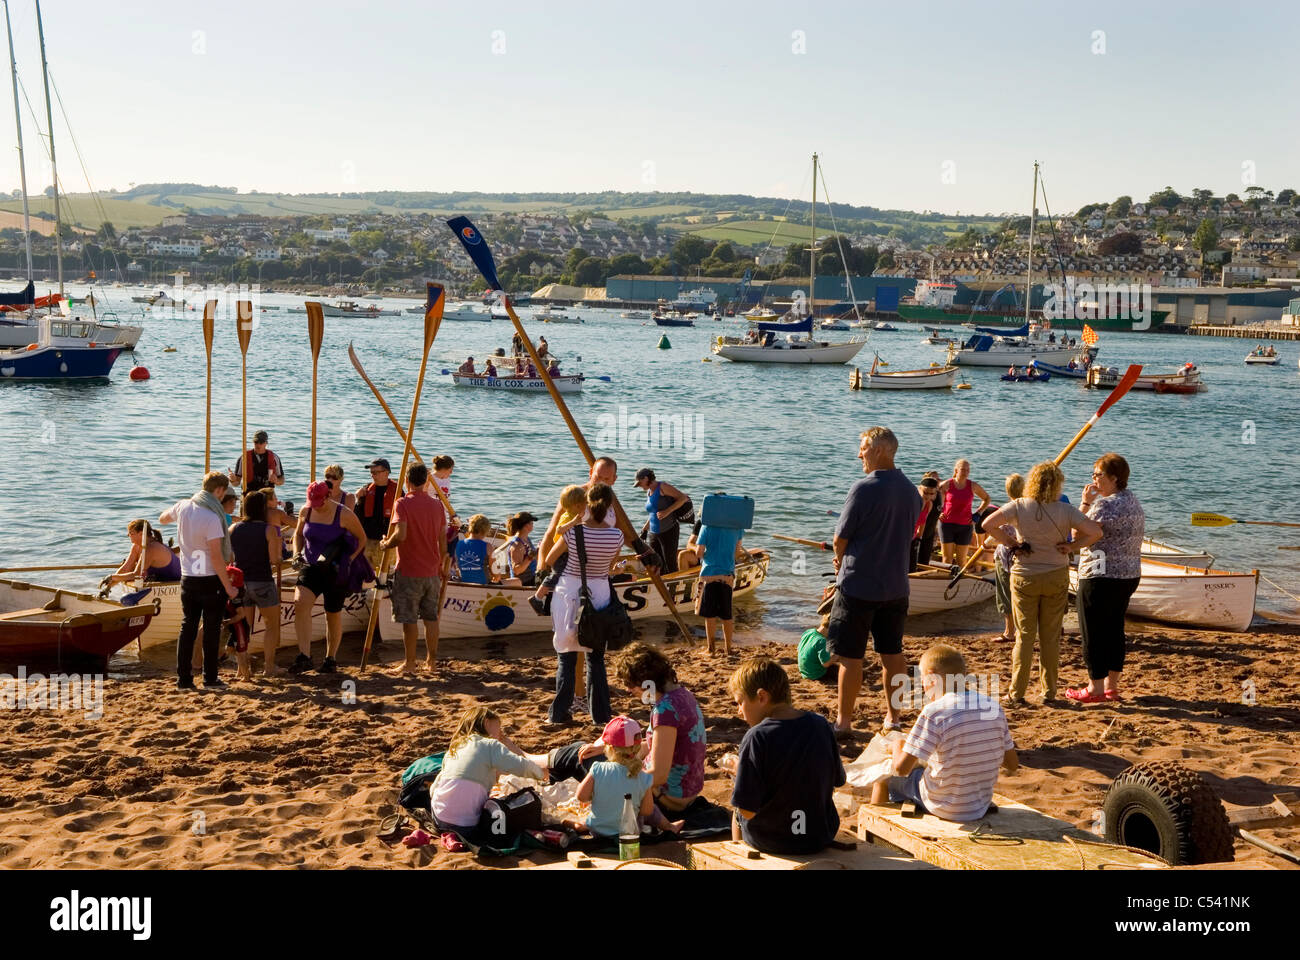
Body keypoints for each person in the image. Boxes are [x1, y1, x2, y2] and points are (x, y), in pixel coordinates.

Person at [980, 462, 1103, 705]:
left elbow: (987, 524)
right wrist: (1072, 547)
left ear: (1032, 482)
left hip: (1024, 576)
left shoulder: (1018, 506)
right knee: (1050, 637)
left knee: (1024, 636)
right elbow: (1095, 532)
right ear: (1057, 484)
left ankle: (1017, 692)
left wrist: (1012, 543)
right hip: (1056, 575)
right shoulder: (1066, 510)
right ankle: (1048, 692)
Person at [828, 427, 920, 736]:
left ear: (879, 450)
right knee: (892, 653)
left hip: (859, 585)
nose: (859, 455)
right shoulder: (911, 491)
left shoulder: (863, 488)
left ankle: (844, 721)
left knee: (850, 656)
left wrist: (839, 559)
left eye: (863, 448)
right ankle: (893, 718)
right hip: (895, 586)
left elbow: (840, 538)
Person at [870, 644, 1018, 822]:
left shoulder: (934, 712)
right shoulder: (993, 707)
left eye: (922, 679)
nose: (923, 686)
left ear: (932, 677)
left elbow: (901, 769)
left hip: (943, 805)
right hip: (979, 804)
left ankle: (874, 828)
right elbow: (1012, 764)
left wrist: (898, 745)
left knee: (882, 776)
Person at [730, 657, 845, 854]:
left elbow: (747, 811)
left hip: (774, 839)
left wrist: (738, 772)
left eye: (740, 703)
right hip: (819, 834)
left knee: (737, 810)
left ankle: (739, 856)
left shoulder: (757, 736)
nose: (739, 711)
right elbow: (839, 780)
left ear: (762, 697)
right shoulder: (820, 724)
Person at [541, 483, 622, 726]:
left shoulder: (573, 533)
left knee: (566, 657)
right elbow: (609, 567)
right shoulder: (616, 535)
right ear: (608, 506)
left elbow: (550, 559)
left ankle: (559, 714)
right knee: (595, 658)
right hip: (599, 594)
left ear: (587, 505)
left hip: (569, 594)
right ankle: (600, 715)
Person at [1069, 453, 1145, 704]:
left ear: (1114, 478)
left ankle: (1095, 688)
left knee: (1092, 631)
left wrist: (1084, 503)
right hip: (1128, 574)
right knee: (1114, 630)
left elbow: (1075, 532)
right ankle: (1111, 687)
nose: (1094, 479)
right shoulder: (1132, 500)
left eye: (1098, 474)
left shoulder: (1104, 505)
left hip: (1100, 574)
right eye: (1093, 474)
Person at [159, 471, 239, 690]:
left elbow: (162, 519)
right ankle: (210, 678)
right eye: (224, 493)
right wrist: (229, 587)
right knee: (212, 630)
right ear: (219, 490)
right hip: (210, 579)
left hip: (188, 577)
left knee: (188, 628)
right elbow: (216, 556)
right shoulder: (212, 517)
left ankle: (184, 679)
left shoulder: (183, 506)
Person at [429, 706, 547, 849]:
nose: (500, 735)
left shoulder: (455, 748)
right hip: (467, 825)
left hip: (439, 818)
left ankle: (450, 834)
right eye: (499, 728)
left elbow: (434, 788)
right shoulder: (490, 744)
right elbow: (520, 766)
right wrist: (542, 773)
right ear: (486, 723)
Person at [611, 644, 707, 815]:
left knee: (592, 766)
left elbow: (659, 774)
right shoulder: (683, 695)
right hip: (687, 790)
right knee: (605, 759)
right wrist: (615, 752)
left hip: (668, 797)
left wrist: (616, 781)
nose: (628, 690)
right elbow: (655, 746)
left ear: (646, 680)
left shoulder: (665, 710)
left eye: (630, 683)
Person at [289, 479, 368, 675]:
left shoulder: (344, 514)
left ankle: (330, 658)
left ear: (328, 496)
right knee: (300, 603)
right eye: (312, 502)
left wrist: (349, 560)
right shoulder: (306, 510)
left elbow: (362, 538)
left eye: (319, 502)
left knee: (332, 613)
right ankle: (304, 656)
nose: (315, 505)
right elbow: (298, 535)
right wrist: (296, 554)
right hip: (311, 566)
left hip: (335, 569)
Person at [378, 462, 446, 675]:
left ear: (407, 481)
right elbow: (443, 539)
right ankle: (431, 662)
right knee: (431, 618)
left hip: (409, 570)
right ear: (426, 481)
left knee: (408, 620)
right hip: (432, 570)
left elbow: (401, 535)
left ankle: (409, 663)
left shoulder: (403, 503)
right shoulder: (437, 505)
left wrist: (385, 544)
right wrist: (442, 562)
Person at [571, 716, 684, 838]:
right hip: (629, 833)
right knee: (651, 808)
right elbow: (647, 811)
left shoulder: (598, 768)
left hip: (597, 831)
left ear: (609, 748)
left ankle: (579, 825)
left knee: (600, 809)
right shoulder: (643, 777)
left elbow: (581, 796)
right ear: (638, 747)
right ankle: (669, 827)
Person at [229, 490, 284, 680]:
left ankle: (241, 668)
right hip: (262, 582)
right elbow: (274, 560)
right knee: (271, 625)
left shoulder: (233, 529)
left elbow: (230, 558)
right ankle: (269, 667)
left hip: (241, 583)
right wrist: (279, 554)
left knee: (244, 627)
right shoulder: (268, 530)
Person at [694, 505, 745, 655]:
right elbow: (737, 553)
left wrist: (709, 554)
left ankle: (711, 649)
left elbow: (699, 553)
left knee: (709, 615)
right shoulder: (737, 528)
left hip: (709, 574)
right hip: (727, 575)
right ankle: (729, 649)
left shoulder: (707, 527)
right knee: (726, 615)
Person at [529, 485, 588, 615]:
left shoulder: (576, 515)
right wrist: (573, 522)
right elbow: (559, 530)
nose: (587, 505)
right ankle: (537, 597)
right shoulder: (567, 517)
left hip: (569, 552)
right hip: (561, 554)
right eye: (585, 503)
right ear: (577, 505)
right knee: (557, 574)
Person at [984, 473, 1024, 644]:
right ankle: (1023, 629)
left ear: (1008, 491)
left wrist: (985, 544)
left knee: (1006, 594)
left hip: (1006, 557)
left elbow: (998, 531)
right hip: (1024, 558)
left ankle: (1009, 631)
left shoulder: (1009, 509)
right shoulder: (1030, 509)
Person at [633, 468, 691, 574]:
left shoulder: (662, 487)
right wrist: (645, 528)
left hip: (669, 530)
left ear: (646, 479)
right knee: (656, 563)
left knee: (669, 563)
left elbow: (683, 498)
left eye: (640, 483)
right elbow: (653, 513)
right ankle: (660, 583)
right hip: (653, 533)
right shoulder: (649, 491)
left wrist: (667, 511)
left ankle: (673, 584)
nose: (639, 486)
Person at [937, 459, 991, 568]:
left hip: (965, 526)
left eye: (968, 470)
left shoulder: (973, 486)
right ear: (956, 470)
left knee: (961, 560)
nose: (966, 472)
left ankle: (959, 578)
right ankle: (946, 577)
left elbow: (987, 499)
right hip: (946, 524)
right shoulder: (947, 484)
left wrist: (978, 514)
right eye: (963, 469)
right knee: (947, 559)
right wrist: (938, 512)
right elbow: (934, 498)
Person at [107, 519, 180, 584]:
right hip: (158, 578)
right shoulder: (136, 546)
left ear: (141, 534)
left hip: (175, 579)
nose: (128, 535)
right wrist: (109, 585)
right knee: (132, 567)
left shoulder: (151, 548)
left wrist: (112, 577)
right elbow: (126, 568)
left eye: (131, 533)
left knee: (135, 573)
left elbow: (137, 574)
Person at [355, 458, 397, 569]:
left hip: (386, 541)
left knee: (385, 573)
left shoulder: (397, 491)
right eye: (371, 473)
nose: (372, 475)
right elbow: (357, 516)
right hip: (367, 540)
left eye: (376, 472)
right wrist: (358, 499)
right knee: (364, 572)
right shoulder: (366, 490)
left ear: (386, 473)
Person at [909, 477, 939, 572]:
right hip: (902, 538)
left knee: (911, 568)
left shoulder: (929, 505)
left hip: (913, 538)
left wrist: (919, 537)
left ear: (935, 494)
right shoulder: (911, 502)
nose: (928, 496)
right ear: (919, 489)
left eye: (931, 494)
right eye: (925, 492)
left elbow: (923, 522)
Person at [454, 514, 493, 584]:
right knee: (513, 581)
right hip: (483, 583)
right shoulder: (488, 546)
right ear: (485, 530)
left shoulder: (459, 544)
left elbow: (457, 566)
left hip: (463, 581)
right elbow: (495, 572)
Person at [503, 512, 539, 587]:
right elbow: (517, 571)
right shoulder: (517, 545)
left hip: (532, 577)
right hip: (524, 582)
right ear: (526, 525)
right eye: (532, 523)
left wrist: (538, 550)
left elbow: (532, 556)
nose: (533, 524)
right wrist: (529, 558)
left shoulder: (526, 539)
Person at [916, 470, 942, 566]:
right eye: (933, 479)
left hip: (930, 532)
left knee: (924, 560)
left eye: (937, 479)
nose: (935, 481)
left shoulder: (938, 495)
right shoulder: (919, 498)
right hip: (917, 533)